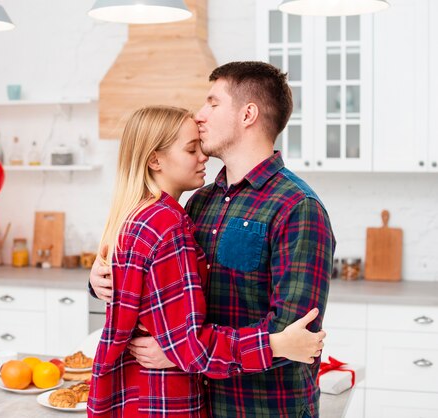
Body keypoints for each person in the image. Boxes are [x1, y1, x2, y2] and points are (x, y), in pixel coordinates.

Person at [90, 62, 335, 418]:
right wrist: (99, 278)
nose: (200, 115)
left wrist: (179, 351)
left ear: (247, 114)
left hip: (263, 409)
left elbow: (293, 335)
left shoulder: (298, 207)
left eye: (212, 103)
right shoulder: (198, 202)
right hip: (202, 402)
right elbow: (160, 287)